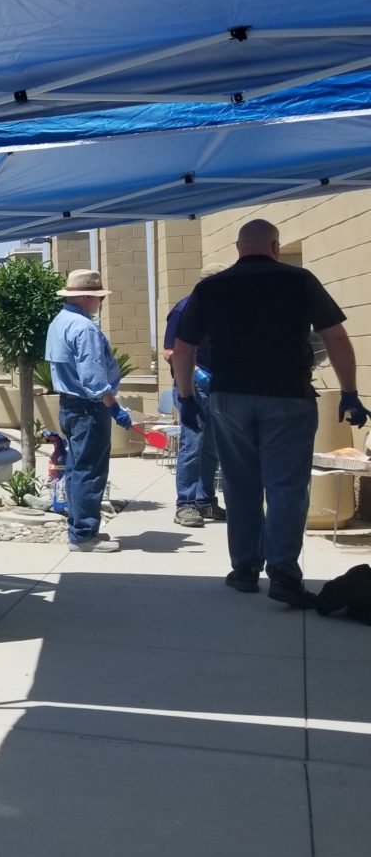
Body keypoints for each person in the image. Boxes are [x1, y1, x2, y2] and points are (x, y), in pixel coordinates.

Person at [173, 219, 368, 607]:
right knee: (287, 489)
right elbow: (336, 337)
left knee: (240, 485)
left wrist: (187, 396)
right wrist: (349, 392)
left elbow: (182, 348)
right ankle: (282, 574)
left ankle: (244, 570)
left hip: (229, 398)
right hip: (288, 396)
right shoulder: (300, 280)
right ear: (276, 247)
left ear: (238, 247)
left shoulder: (211, 287)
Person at [44, 269, 131, 553]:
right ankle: (83, 534)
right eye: (97, 297)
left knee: (76, 467)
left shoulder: (59, 322)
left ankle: (81, 527)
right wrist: (114, 407)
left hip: (69, 404)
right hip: (88, 407)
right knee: (90, 470)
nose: (100, 303)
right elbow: (93, 378)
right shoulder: (84, 328)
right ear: (84, 297)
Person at [162, 263, 226, 528]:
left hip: (219, 384)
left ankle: (206, 500)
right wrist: (195, 371)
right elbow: (169, 350)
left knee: (211, 446)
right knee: (192, 444)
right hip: (192, 386)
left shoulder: (225, 310)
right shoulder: (185, 308)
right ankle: (185, 505)